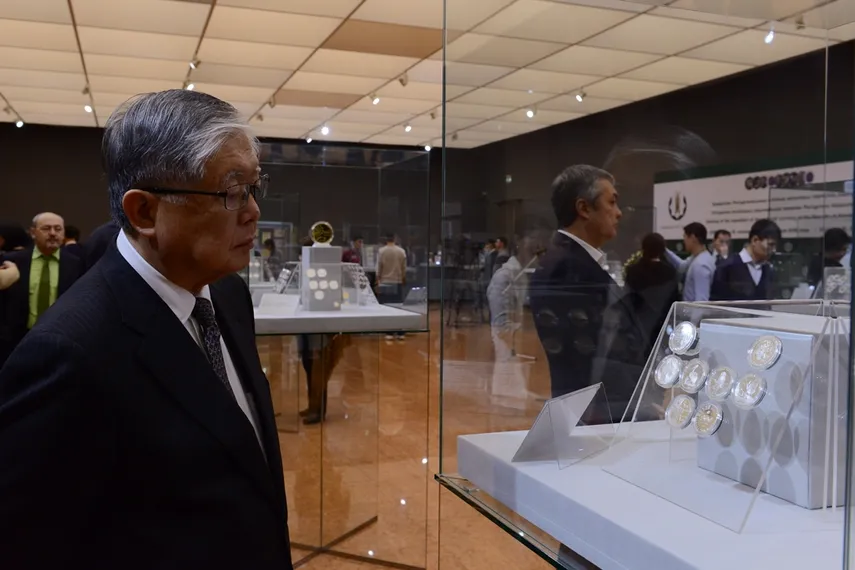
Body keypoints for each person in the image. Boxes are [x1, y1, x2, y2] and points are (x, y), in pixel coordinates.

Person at [0, 90, 292, 568]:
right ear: (145, 212)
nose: (253, 210)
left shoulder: (228, 294)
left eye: (254, 187)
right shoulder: (68, 353)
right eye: (231, 191)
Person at [529, 165, 646, 422]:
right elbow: (589, 357)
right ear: (584, 208)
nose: (618, 213)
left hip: (603, 411)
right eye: (611, 202)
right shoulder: (567, 268)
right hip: (600, 415)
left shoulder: (575, 263)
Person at [0, 212, 85, 365]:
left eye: (58, 229)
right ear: (33, 232)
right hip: (16, 340)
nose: (52, 233)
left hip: (59, 340)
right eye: (46, 228)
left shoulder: (76, 264)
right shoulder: (12, 261)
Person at [625, 233, 678, 355]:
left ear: (643, 248)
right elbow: (673, 298)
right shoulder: (669, 271)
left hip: (639, 322)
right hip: (662, 322)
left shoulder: (633, 271)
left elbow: (629, 297)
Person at [711, 218, 781, 301]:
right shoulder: (727, 267)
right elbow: (715, 303)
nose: (773, 250)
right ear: (755, 240)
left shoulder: (769, 271)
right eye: (770, 245)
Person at [665, 222, 715, 302]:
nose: (684, 241)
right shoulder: (697, 257)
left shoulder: (701, 265)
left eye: (685, 237)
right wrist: (664, 250)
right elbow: (682, 266)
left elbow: (702, 299)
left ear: (692, 238)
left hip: (693, 310)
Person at [376, 232, 407, 340]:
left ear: (386, 239)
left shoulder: (381, 251)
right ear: (395, 239)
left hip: (385, 281)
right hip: (397, 281)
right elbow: (404, 268)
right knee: (398, 307)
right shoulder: (401, 251)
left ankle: (389, 332)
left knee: (387, 307)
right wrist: (403, 279)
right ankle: (400, 332)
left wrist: (378, 280)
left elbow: (379, 267)